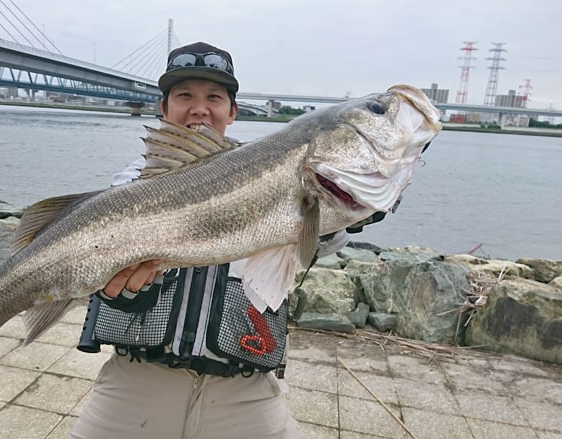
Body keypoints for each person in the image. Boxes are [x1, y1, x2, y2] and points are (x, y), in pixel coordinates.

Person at [69, 41, 385, 439]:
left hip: (247, 392)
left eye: (214, 97)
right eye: (184, 95)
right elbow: (114, 282)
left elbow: (318, 243)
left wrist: (351, 207)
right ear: (163, 108)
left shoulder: (275, 170)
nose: (199, 108)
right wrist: (122, 290)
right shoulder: (134, 184)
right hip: (134, 384)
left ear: (232, 112)